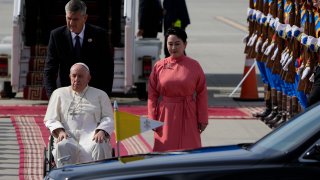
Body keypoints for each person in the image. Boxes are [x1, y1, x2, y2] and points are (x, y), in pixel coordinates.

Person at [147, 27, 208, 152]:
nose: (173, 48)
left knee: (190, 150)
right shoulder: (159, 66)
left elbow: (202, 93)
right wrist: (152, 117)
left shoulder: (194, 66)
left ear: (185, 44)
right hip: (165, 114)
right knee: (165, 149)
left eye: (177, 44)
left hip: (189, 113)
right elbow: (152, 94)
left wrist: (202, 118)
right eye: (170, 44)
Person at [44, 62, 114, 167]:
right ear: (69, 77)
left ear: (88, 78)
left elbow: (108, 118)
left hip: (92, 137)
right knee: (62, 145)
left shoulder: (101, 95)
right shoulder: (58, 93)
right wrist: (60, 131)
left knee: (100, 145)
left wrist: (102, 131)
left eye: (80, 76)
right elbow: (51, 119)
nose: (76, 79)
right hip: (67, 135)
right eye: (74, 76)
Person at [44, 0, 114, 98]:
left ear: (85, 18)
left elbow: (107, 67)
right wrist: (52, 96)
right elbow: (50, 69)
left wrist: (105, 95)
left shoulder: (99, 35)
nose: (71, 23)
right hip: (66, 92)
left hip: (93, 92)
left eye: (75, 19)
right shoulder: (56, 36)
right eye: (68, 18)